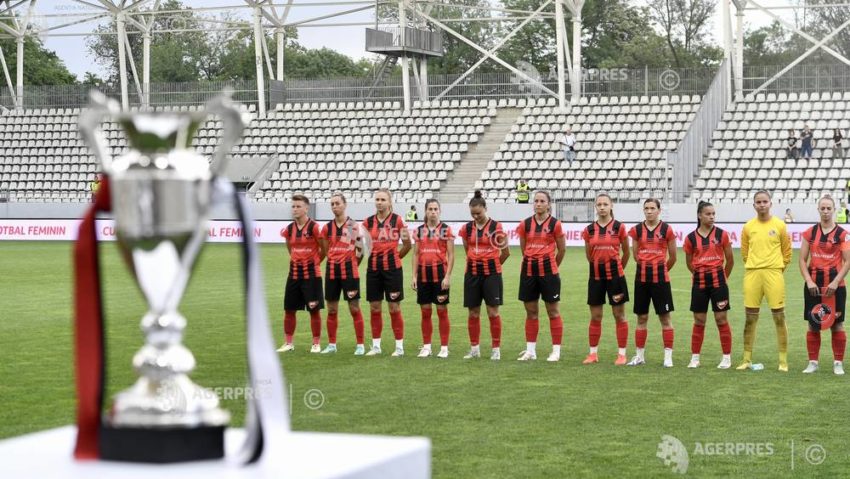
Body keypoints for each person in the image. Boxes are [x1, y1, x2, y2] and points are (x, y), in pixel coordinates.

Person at [737, 190, 792, 371]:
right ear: (754, 205)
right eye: (758, 202)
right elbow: (745, 253)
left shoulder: (780, 225)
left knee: (779, 316)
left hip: (773, 273)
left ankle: (783, 361)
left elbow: (787, 253)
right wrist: (755, 265)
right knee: (750, 318)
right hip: (752, 274)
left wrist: (776, 268)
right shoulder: (748, 227)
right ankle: (746, 359)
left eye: (765, 201)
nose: (762, 205)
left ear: (770, 204)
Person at [798, 195, 848, 375]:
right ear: (818, 209)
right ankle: (813, 362)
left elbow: (848, 261)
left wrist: (835, 282)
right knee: (813, 324)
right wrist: (809, 281)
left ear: (834, 210)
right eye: (823, 208)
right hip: (814, 287)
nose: (826, 212)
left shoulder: (843, 234)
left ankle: (838, 363)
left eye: (829, 208)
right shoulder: (810, 233)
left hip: (836, 287)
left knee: (837, 324)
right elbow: (802, 260)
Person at [626, 198, 677, 367]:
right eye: (646, 208)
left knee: (665, 317)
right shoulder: (636, 230)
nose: (649, 211)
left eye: (652, 208)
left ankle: (668, 357)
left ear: (659, 210)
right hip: (641, 280)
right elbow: (635, 255)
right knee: (642, 317)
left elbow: (673, 257)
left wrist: (660, 270)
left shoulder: (667, 230)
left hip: (661, 280)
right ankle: (640, 356)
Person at [683, 201, 735, 369]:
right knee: (699, 320)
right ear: (699, 215)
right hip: (699, 284)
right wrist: (699, 275)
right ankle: (695, 358)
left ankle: (726, 358)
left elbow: (730, 260)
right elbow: (689, 263)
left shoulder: (722, 235)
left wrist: (722, 277)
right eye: (708, 214)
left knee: (721, 319)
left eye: (713, 214)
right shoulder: (690, 238)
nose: (712, 217)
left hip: (719, 283)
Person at [459, 191, 510, 361]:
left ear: (485, 208)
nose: (476, 216)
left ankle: (496, 349)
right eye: (473, 214)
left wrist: (492, 266)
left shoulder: (497, 227)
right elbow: (468, 250)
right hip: (472, 274)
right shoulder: (466, 229)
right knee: (473, 312)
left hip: (492, 276)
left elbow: (506, 252)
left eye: (479, 213)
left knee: (493, 312)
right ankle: (475, 349)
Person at [516, 191, 566, 362]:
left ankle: (556, 351)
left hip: (549, 274)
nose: (538, 204)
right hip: (528, 272)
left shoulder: (555, 224)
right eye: (536, 201)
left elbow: (562, 250)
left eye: (542, 201)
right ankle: (531, 351)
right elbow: (524, 248)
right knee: (531, 312)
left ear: (548, 204)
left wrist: (551, 266)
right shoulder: (525, 224)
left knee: (553, 311)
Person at [581, 193, 631, 365]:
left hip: (615, 277)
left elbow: (626, 253)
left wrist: (616, 270)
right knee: (595, 316)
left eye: (605, 204)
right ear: (595, 207)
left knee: (619, 315)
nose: (602, 207)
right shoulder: (589, 230)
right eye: (599, 204)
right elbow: (589, 254)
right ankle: (593, 354)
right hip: (595, 277)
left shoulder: (619, 228)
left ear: (611, 206)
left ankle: (622, 354)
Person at [363, 188, 412, 356]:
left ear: (390, 202)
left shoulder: (398, 221)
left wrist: (395, 258)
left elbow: (407, 244)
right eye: (377, 199)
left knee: (394, 308)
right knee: (375, 308)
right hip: (373, 270)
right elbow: (361, 244)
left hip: (393, 271)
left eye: (383, 199)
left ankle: (399, 347)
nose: (379, 202)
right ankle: (376, 346)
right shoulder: (367, 222)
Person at [277, 194, 327, 353]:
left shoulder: (315, 227)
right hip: (294, 274)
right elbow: (289, 247)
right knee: (289, 309)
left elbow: (324, 248)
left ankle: (316, 343)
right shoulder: (289, 229)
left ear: (306, 209)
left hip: (312, 275)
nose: (295, 209)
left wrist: (315, 262)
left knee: (314, 309)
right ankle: (288, 343)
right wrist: (296, 259)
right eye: (293, 206)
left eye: (298, 206)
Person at [320, 192, 366, 355]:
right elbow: (326, 250)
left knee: (354, 308)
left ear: (345, 205)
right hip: (332, 271)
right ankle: (332, 345)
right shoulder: (326, 228)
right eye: (332, 204)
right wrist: (334, 259)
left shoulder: (353, 226)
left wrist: (351, 263)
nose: (334, 206)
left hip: (349, 272)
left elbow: (360, 250)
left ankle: (360, 344)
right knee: (331, 309)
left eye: (337, 203)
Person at [411, 199, 455, 358]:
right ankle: (427, 347)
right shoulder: (419, 230)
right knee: (425, 311)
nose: (433, 212)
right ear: (425, 211)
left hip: (440, 275)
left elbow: (451, 254)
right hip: (423, 275)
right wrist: (414, 275)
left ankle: (444, 347)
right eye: (430, 209)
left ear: (440, 211)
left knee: (442, 311)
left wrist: (448, 276)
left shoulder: (446, 229)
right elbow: (415, 254)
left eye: (436, 209)